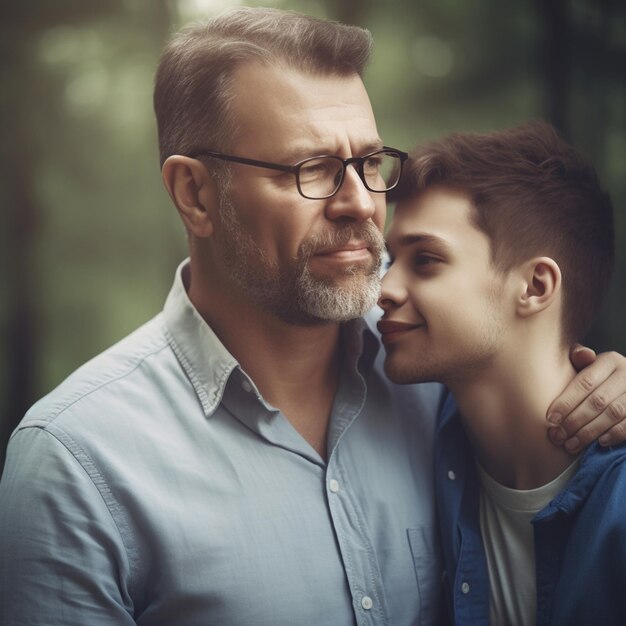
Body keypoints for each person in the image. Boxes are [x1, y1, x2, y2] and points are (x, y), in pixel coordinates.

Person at [0, 8, 625, 625]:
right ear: (195, 195)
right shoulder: (77, 463)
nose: (360, 203)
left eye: (371, 163)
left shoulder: (434, 370)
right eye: (314, 170)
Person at [378, 121, 625, 625]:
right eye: (389, 259)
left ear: (534, 286)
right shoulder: (426, 441)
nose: (384, 288)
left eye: (425, 260)